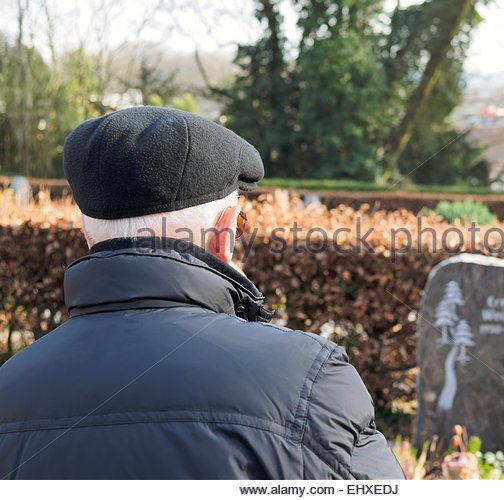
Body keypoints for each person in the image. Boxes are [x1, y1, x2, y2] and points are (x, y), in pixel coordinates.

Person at [0, 106, 404, 480]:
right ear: (224, 233)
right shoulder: (309, 380)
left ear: (89, 236)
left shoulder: (10, 388)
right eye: (241, 223)